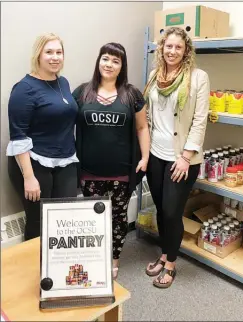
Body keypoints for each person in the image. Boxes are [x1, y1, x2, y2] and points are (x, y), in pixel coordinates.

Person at [73, 42, 150, 279]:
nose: (109, 64)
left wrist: (145, 157)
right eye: (105, 58)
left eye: (116, 61)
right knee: (92, 219)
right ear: (99, 61)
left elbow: (142, 127)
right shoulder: (82, 92)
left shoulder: (132, 95)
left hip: (121, 172)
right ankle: (95, 257)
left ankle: (114, 260)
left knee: (117, 219)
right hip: (89, 171)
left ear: (122, 66)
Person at [144, 27, 210, 288]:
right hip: (155, 154)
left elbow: (200, 120)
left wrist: (185, 156)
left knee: (172, 212)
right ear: (161, 48)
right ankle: (163, 253)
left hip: (180, 157)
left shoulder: (198, 77)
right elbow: (148, 115)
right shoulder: (153, 75)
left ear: (186, 51)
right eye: (167, 46)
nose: (172, 51)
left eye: (178, 47)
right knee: (161, 209)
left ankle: (171, 264)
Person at [6, 33, 79, 241]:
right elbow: (18, 136)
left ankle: (56, 270)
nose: (55, 57)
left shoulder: (63, 82)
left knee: (64, 219)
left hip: (65, 160)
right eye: (49, 52)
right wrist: (29, 178)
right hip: (34, 163)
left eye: (59, 52)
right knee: (38, 221)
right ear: (38, 55)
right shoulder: (24, 89)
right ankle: (34, 271)